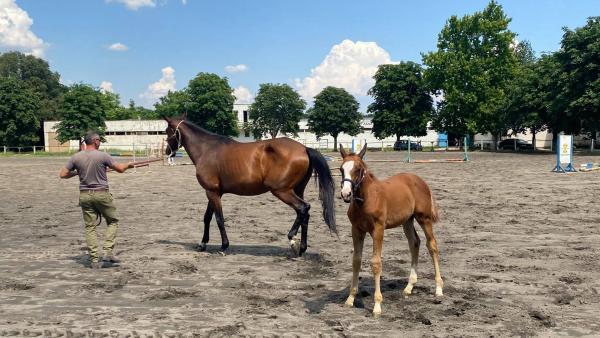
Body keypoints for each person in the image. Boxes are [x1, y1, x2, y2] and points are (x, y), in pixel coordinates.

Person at [59, 132, 134, 269]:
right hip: (101, 194)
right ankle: (107, 251)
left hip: (85, 195)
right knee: (113, 221)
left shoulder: (76, 157)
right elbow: (120, 169)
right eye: (99, 140)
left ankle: (94, 259)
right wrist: (128, 165)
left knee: (90, 227)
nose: (100, 142)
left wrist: (77, 172)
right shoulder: (103, 155)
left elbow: (63, 174)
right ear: (94, 141)